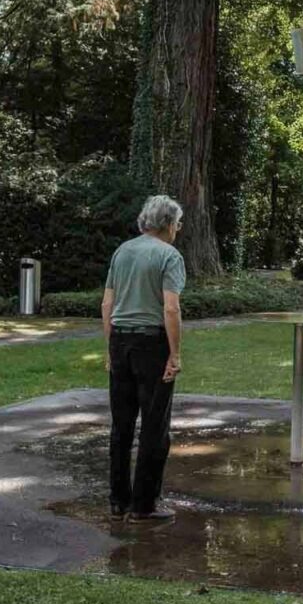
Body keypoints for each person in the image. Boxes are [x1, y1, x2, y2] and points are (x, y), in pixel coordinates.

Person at [103, 194, 186, 521]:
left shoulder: (122, 251)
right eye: (177, 224)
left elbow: (106, 306)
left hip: (120, 342)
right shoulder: (169, 256)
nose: (178, 230)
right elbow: (170, 307)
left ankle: (118, 500)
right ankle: (144, 506)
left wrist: (109, 348)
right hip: (152, 346)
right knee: (154, 426)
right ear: (167, 224)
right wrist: (175, 354)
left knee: (121, 427)